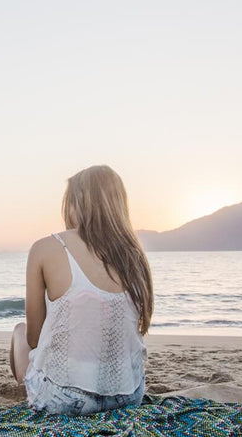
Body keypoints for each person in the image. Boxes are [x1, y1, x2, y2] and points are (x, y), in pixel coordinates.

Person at [9, 165, 154, 415]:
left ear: (76, 203)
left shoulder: (46, 247)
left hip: (64, 400)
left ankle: (30, 397)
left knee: (20, 333)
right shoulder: (133, 254)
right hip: (129, 397)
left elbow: (34, 339)